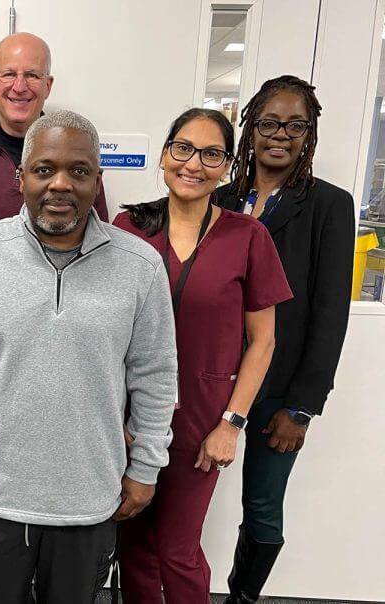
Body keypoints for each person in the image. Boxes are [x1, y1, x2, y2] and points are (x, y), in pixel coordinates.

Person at [0, 110, 178, 604]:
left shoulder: (141, 267)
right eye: (44, 169)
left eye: (79, 171)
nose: (60, 184)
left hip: (90, 496)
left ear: (97, 181)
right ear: (20, 178)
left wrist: (146, 468)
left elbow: (156, 375)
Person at [113, 108, 292, 603]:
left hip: (203, 418)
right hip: (131, 417)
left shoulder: (248, 236)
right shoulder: (128, 227)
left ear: (228, 165)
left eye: (211, 153)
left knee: (177, 548)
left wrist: (230, 423)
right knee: (133, 544)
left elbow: (263, 341)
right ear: (166, 154)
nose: (194, 163)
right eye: (183, 148)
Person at [215, 75, 355, 603]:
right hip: (219, 379)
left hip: (282, 386)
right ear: (251, 129)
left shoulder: (329, 205)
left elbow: (329, 312)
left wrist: (302, 407)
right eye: (270, 122)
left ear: (309, 133)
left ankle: (241, 598)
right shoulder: (222, 197)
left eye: (296, 124)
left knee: (264, 506)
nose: (281, 134)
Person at [0, 32, 109, 224]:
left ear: (48, 86)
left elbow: (98, 235)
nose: (19, 86)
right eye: (9, 74)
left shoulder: (80, 153)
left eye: (32, 75)